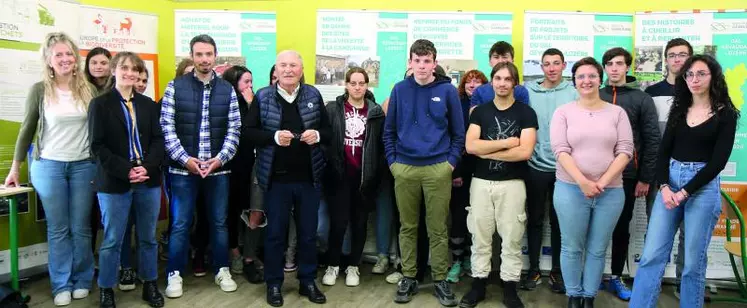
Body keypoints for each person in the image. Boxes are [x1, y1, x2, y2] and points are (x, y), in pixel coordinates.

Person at [630, 54, 740, 308]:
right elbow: (662, 152)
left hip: (701, 187)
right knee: (651, 256)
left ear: (714, 77)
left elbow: (717, 163)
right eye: (689, 74)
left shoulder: (726, 114)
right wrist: (666, 187)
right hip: (670, 181)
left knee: (692, 263)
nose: (694, 79)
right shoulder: (679, 108)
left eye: (701, 73)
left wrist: (686, 192)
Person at [4, 32, 97, 306]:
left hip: (83, 165)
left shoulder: (88, 89)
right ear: (48, 59)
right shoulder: (39, 90)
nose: (66, 59)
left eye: (69, 54)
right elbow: (26, 130)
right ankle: (61, 284)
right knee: (58, 228)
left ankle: (82, 279)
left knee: (81, 227)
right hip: (49, 167)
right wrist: (15, 168)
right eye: (59, 54)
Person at [246, 50, 330, 307]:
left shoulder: (313, 95)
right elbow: (247, 133)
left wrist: (316, 134)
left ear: (301, 70)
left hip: (308, 179)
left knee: (307, 234)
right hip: (276, 180)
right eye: (283, 65)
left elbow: (328, 131)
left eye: (293, 65)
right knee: (274, 235)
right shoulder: (263, 96)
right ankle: (274, 284)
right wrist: (272, 138)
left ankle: (307, 281)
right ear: (276, 70)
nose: (288, 70)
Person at [384, 39, 464, 306]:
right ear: (410, 63)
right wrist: (394, 163)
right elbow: (389, 132)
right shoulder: (399, 90)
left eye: (427, 60)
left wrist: (449, 164)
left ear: (434, 63)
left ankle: (440, 279)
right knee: (407, 227)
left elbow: (458, 134)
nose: (421, 66)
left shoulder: (448, 91)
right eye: (416, 61)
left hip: (437, 169)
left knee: (438, 228)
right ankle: (409, 275)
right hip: (404, 168)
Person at [160, 34, 240, 298]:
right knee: (181, 223)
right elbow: (167, 129)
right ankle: (174, 273)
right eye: (199, 54)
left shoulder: (228, 90)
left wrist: (219, 159)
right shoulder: (175, 87)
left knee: (219, 222)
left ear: (215, 55)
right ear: (192, 56)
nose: (204, 59)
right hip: (183, 170)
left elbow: (234, 130)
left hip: (219, 169)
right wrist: (186, 160)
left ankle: (221, 269)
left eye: (208, 54)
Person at [550, 57, 633, 308]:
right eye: (581, 76)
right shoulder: (563, 112)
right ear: (574, 81)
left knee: (598, 249)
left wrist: (602, 182)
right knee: (572, 247)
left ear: (600, 78)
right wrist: (583, 182)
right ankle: (574, 295)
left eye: (592, 76)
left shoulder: (617, 112)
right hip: (570, 189)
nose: (587, 81)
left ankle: (589, 297)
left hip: (611, 192)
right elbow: (560, 150)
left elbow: (625, 150)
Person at [88, 52, 165, 308]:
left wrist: (148, 167)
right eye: (124, 68)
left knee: (148, 237)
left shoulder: (148, 104)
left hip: (147, 180)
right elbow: (97, 146)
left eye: (135, 69)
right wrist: (126, 170)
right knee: (112, 239)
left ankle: (150, 283)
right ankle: (107, 289)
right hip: (115, 180)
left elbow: (157, 141)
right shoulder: (100, 104)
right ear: (113, 70)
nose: (129, 73)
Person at [460, 62, 536, 308]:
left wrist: (487, 150)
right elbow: (471, 146)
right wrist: (508, 143)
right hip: (481, 183)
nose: (502, 83)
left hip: (512, 184)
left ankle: (510, 287)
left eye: (507, 79)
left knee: (512, 238)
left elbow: (524, 152)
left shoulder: (526, 113)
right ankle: (478, 284)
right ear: (491, 81)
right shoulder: (480, 112)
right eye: (498, 78)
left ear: (514, 83)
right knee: (480, 236)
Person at [599, 47, 660, 301]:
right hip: (594, 174)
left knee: (621, 227)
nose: (614, 68)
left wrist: (645, 177)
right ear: (604, 68)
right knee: (594, 227)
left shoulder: (641, 99)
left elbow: (652, 139)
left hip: (627, 175)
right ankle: (592, 275)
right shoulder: (595, 94)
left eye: (619, 63)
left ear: (627, 67)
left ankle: (616, 276)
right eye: (609, 64)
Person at [321, 67, 386, 287]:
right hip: (339, 177)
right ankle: (333, 265)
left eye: (362, 83)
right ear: (346, 85)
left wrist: (375, 173)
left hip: (364, 179)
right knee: (338, 224)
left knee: (359, 224)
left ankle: (353, 266)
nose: (357, 87)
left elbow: (381, 146)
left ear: (367, 86)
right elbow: (325, 141)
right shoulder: (333, 109)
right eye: (353, 83)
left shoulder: (376, 112)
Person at [521, 48, 577, 293]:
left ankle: (557, 271)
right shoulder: (529, 92)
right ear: (541, 67)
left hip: (564, 169)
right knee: (534, 220)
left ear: (564, 65)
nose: (552, 68)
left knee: (559, 222)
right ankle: (533, 270)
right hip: (534, 167)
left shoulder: (574, 92)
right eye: (547, 64)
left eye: (556, 63)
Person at [643, 38, 694, 298]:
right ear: (666, 60)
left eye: (683, 55)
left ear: (691, 58)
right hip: (660, 174)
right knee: (657, 234)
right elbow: (649, 136)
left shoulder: (700, 90)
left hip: (693, 173)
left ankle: (685, 285)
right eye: (672, 55)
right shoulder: (651, 93)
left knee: (690, 236)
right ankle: (653, 284)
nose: (677, 60)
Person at [220, 65, 262, 283]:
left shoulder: (253, 103)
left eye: (251, 82)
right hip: (229, 165)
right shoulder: (227, 103)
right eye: (246, 82)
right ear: (234, 82)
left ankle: (249, 255)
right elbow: (237, 131)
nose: (250, 86)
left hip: (251, 165)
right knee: (231, 210)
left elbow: (258, 130)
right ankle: (234, 253)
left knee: (252, 209)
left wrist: (251, 103)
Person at [446, 69, 486, 283]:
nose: (473, 85)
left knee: (478, 219)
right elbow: (454, 137)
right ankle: (458, 261)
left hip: (481, 171)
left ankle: (473, 260)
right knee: (459, 218)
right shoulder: (457, 103)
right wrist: (456, 171)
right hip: (459, 170)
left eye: (478, 81)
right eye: (469, 81)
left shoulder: (488, 105)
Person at [470, 41, 530, 108]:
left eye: (504, 57)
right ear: (490, 61)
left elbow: (524, 116)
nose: (500, 61)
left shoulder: (521, 92)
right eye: (496, 57)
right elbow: (474, 117)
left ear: (512, 61)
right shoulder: (479, 92)